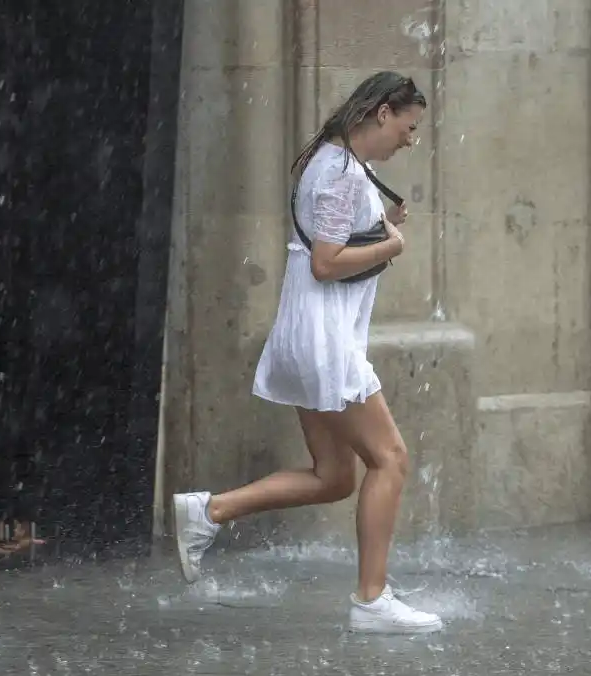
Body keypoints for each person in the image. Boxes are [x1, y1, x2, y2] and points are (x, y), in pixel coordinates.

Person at [171, 71, 444, 634]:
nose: (410, 140)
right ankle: (372, 601)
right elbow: (325, 262)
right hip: (325, 340)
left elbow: (330, 242)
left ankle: (208, 512)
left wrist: (379, 227)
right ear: (383, 113)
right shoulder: (343, 171)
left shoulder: (330, 161)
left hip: (304, 333)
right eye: (408, 127)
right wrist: (392, 243)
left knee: (333, 476)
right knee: (390, 460)